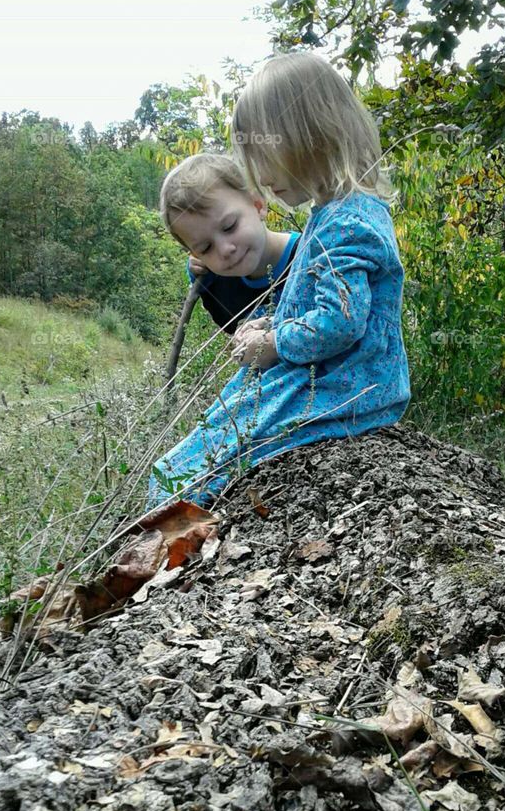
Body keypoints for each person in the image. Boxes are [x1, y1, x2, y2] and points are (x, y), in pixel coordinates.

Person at [147, 50, 411, 509]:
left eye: (263, 157)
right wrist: (269, 326)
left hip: (345, 386)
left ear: (312, 136)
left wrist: (274, 343)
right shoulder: (332, 214)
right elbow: (324, 306)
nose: (262, 177)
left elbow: (340, 322)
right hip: (327, 378)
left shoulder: (348, 222)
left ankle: (172, 545)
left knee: (190, 472)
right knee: (192, 455)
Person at [159, 152, 301, 337]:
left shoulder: (313, 254)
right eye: (206, 248)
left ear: (258, 205)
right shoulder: (218, 284)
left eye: (229, 227)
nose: (225, 250)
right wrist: (201, 279)